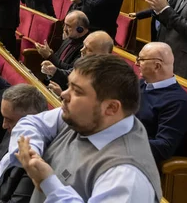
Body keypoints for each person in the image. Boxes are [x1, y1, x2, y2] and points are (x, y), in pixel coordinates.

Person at [9, 55, 163, 202]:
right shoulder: (87, 116)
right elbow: (32, 123)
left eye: (77, 91)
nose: (63, 94)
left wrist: (49, 183)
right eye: (68, 86)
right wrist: (32, 150)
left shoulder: (127, 176)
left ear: (111, 107)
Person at [135, 42, 187, 164]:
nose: (136, 63)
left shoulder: (177, 102)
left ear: (157, 66)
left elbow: (164, 147)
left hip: (140, 161)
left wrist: (122, 142)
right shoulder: (141, 85)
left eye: (140, 59)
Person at [34, 11, 90, 91]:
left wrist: (49, 56)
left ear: (80, 29)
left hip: (63, 88)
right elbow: (58, 58)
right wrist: (50, 53)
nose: (64, 29)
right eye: (65, 25)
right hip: (52, 81)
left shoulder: (85, 47)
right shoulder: (70, 38)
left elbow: (71, 70)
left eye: (68, 26)